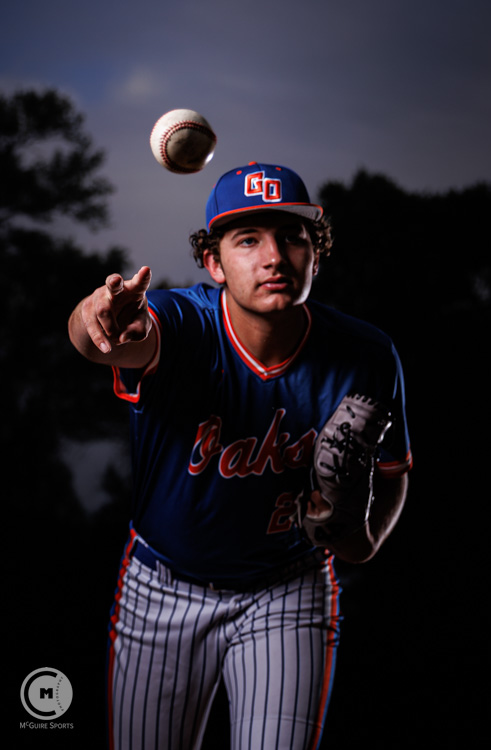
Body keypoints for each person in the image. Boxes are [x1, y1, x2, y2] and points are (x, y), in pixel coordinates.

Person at [68, 162, 412, 750]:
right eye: (247, 239)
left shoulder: (366, 354)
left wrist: (357, 531)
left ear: (316, 251)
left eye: (291, 236)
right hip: (162, 587)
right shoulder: (183, 325)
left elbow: (391, 476)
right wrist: (95, 319)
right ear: (214, 263)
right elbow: (111, 339)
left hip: (290, 587)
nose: (273, 256)